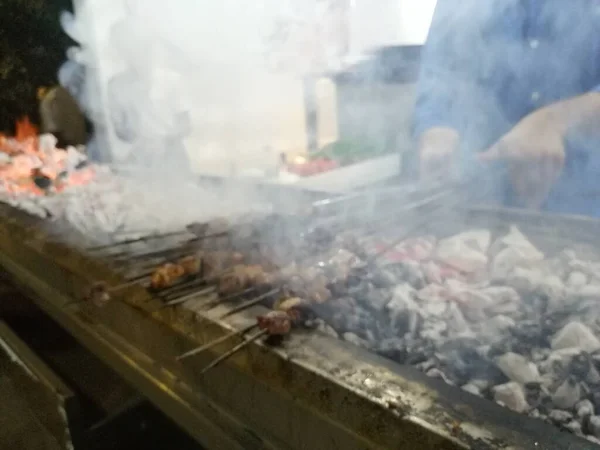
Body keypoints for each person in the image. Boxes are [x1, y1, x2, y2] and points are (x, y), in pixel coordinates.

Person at [412, 0, 600, 215]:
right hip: (480, 205)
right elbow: (440, 71)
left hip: (586, 211)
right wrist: (438, 130)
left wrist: (555, 121)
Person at [37, 85, 88, 149]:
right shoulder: (67, 92)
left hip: (64, 146)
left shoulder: (48, 101)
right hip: (80, 142)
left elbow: (52, 129)